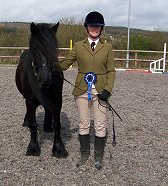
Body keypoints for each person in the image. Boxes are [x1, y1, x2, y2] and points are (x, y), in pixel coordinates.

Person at [54, 11, 116, 170]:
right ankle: (84, 154)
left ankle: (98, 157)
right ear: (86, 27)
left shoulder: (107, 47)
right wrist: (50, 62)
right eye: (91, 25)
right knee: (83, 123)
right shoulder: (78, 46)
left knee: (101, 124)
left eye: (97, 26)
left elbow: (111, 71)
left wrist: (108, 90)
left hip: (101, 91)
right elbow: (65, 64)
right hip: (82, 90)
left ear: (101, 28)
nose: (94, 28)